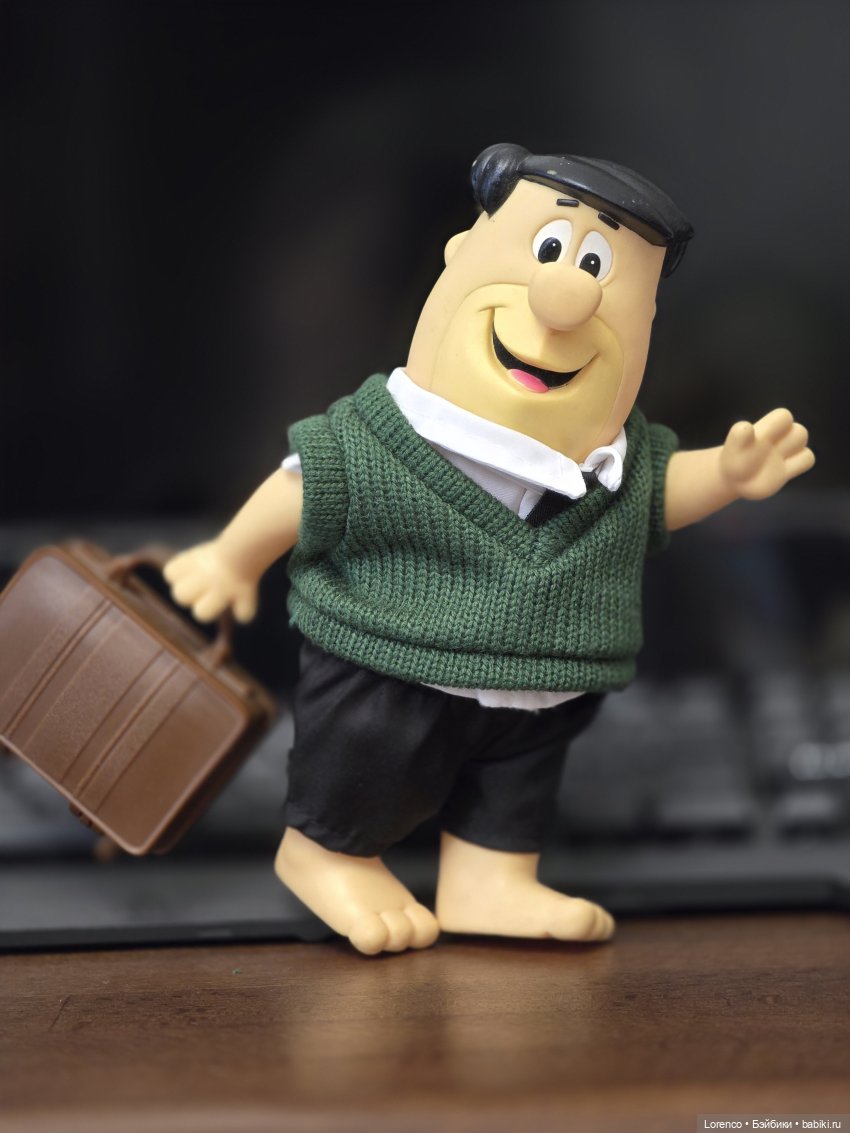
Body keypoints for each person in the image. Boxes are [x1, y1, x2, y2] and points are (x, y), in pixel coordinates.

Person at [165, 144, 814, 955]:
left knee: (514, 781)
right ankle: (327, 850)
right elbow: (306, 486)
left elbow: (661, 493)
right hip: (394, 662)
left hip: (542, 683)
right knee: (367, 761)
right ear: (461, 255)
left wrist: (728, 474)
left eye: (601, 272)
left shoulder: (615, 464)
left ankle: (488, 880)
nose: (567, 296)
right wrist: (230, 558)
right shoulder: (391, 438)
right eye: (550, 249)